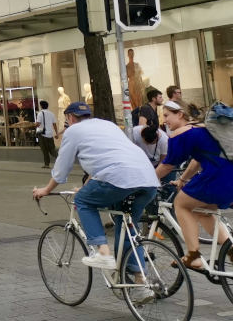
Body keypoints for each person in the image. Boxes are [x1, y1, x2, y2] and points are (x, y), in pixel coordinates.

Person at [33, 101, 158, 271]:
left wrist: (46, 190)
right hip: (148, 178)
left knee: (82, 201)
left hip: (118, 178)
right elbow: (104, 159)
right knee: (127, 226)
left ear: (70, 117)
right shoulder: (108, 125)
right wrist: (88, 186)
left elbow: (62, 168)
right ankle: (140, 282)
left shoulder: (73, 131)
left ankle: (103, 253)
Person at [153, 100, 233, 272]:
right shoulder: (202, 127)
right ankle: (231, 249)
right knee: (200, 210)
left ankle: (193, 256)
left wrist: (147, 180)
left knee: (180, 204)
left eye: (167, 115)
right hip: (229, 177)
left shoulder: (181, 133)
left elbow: (168, 164)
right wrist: (182, 180)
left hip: (216, 177)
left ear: (180, 114)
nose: (164, 120)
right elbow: (197, 159)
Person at [35, 100, 60, 168]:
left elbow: (38, 124)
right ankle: (61, 161)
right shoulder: (51, 113)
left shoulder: (40, 113)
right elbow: (54, 124)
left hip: (42, 134)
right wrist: (56, 133)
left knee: (44, 150)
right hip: (50, 134)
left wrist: (33, 125)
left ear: (41, 106)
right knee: (52, 149)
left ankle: (47, 164)